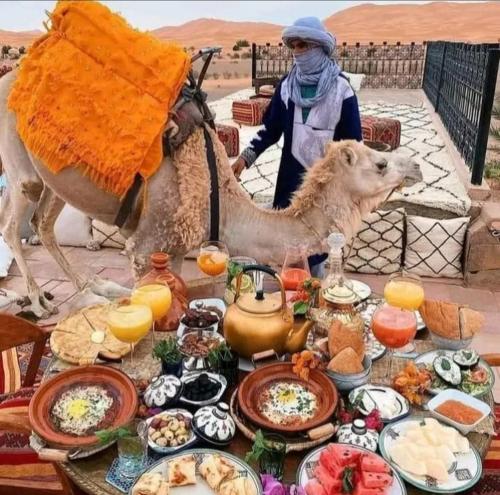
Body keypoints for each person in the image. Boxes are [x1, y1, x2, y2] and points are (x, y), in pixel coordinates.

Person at [231, 16, 362, 277]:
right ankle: (286, 295)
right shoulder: (287, 87)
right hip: (291, 180)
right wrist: (245, 158)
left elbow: (354, 148)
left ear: (319, 47)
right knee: (287, 245)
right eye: (294, 46)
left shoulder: (341, 91)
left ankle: (313, 295)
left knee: (316, 250)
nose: (297, 52)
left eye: (303, 45)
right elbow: (271, 130)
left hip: (325, 186)